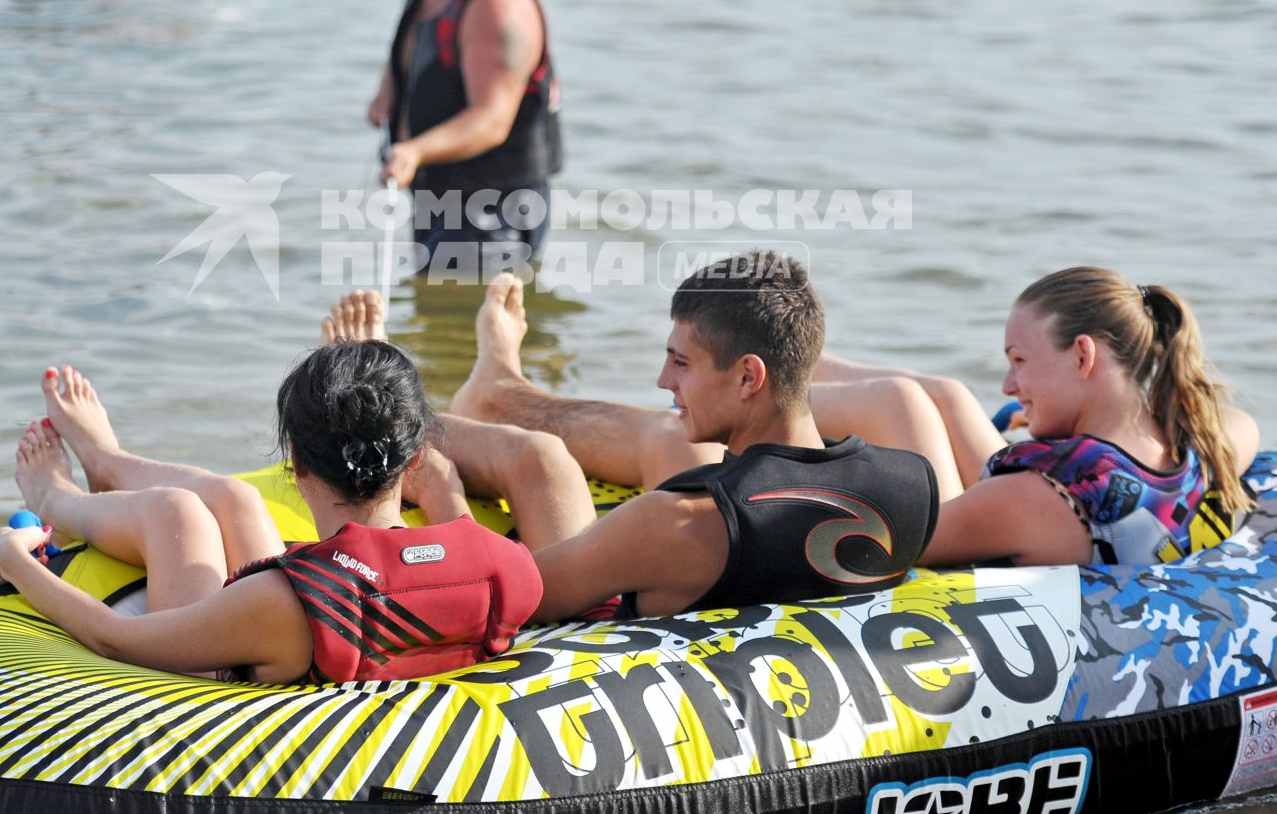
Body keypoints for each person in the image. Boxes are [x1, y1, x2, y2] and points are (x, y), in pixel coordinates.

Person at [0, 331, 543, 685]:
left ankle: (55, 499)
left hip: (243, 679)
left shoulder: (278, 603)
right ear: (416, 458)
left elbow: (114, 637)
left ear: (297, 466)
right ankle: (107, 464)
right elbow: (435, 557)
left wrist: (16, 562)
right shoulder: (511, 567)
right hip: (325, 628)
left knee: (174, 515)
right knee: (235, 498)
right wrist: (446, 496)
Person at [443, 254, 939, 620]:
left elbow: (487, 601)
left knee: (535, 458)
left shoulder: (673, 521)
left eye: (681, 362)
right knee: (666, 434)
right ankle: (500, 389)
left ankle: (399, 407)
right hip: (755, 552)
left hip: (600, 611)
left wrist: (438, 491)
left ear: (749, 377)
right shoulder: (911, 485)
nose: (663, 380)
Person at [812, 267, 1261, 567]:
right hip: (1044, 513)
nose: (1008, 385)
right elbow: (1239, 423)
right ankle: (791, 361)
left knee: (897, 401)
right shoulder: (1204, 443)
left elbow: (876, 545)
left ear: (1083, 355)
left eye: (1020, 361)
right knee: (949, 394)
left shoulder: (1047, 496)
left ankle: (751, 398)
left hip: (1003, 529)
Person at [368, 0, 565, 263]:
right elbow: (407, 51)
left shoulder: (499, 5)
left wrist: (413, 151)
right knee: (433, 308)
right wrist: (386, 94)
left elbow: (492, 120)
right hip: (439, 191)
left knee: (470, 317)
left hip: (493, 207)